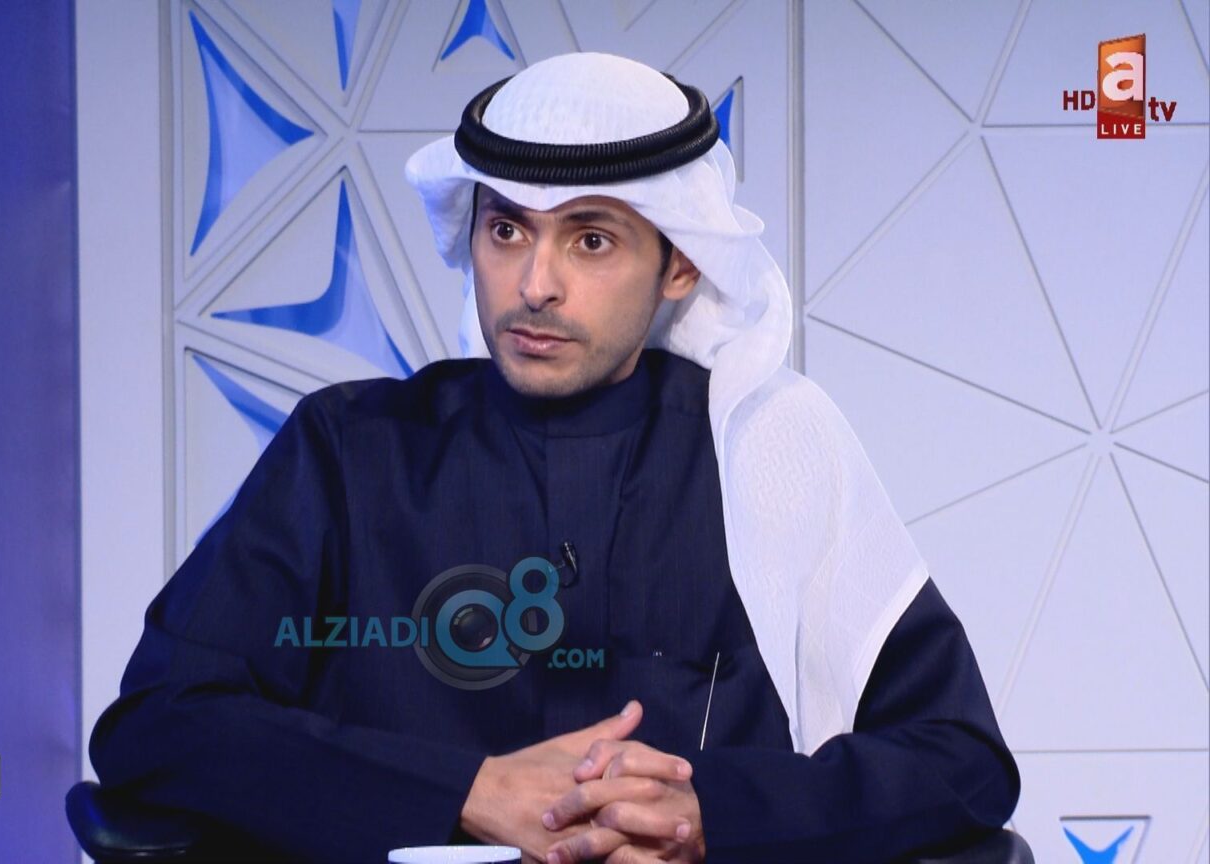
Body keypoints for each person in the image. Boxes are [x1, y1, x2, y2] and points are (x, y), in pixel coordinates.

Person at [89, 52, 1020, 863]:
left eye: (592, 239)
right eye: (507, 231)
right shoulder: (349, 448)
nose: (536, 284)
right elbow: (159, 725)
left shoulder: (771, 451)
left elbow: (961, 760)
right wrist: (464, 790)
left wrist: (713, 813)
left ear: (681, 265)